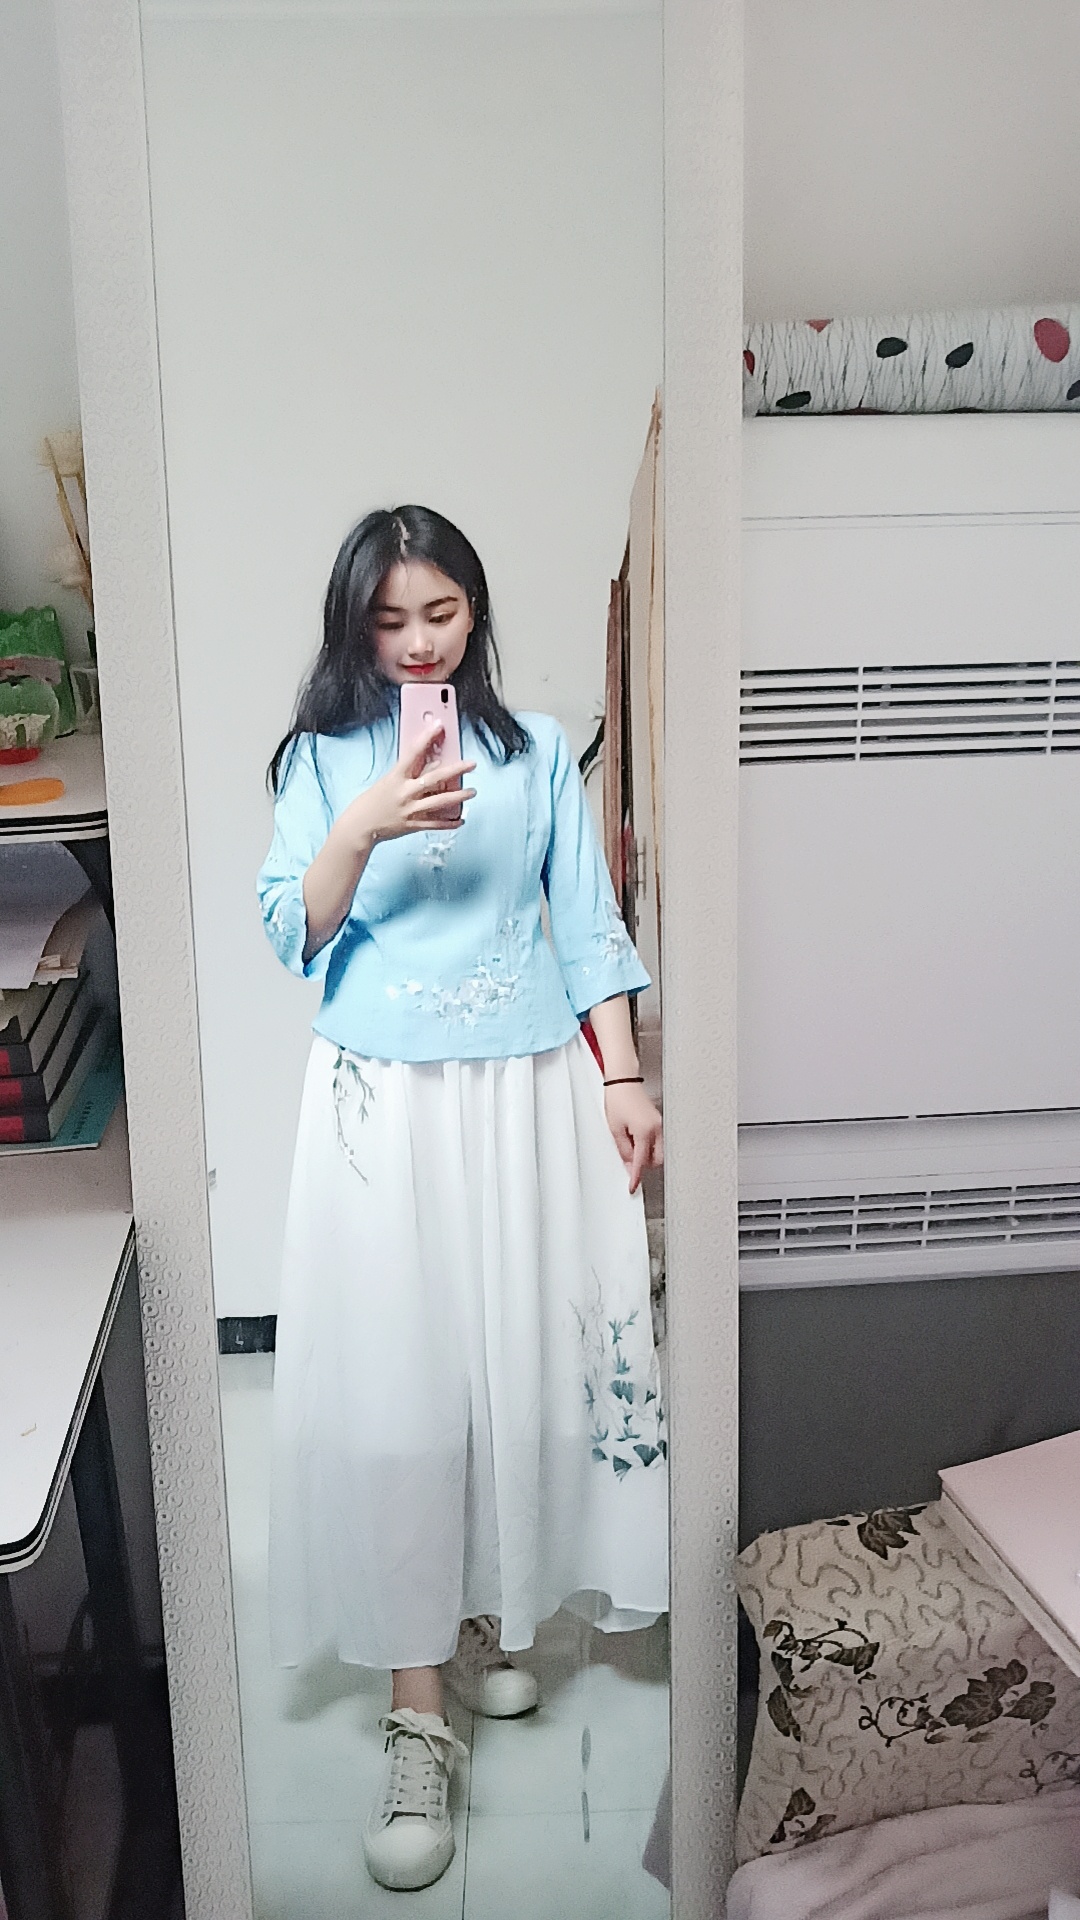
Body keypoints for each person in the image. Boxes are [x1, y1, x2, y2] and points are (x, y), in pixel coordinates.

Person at [257, 504, 668, 1891]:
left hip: (524, 1096)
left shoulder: (537, 751)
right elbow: (292, 930)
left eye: (440, 613)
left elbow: (589, 928)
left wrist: (624, 1076)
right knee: (398, 1395)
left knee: (513, 1377)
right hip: (381, 1104)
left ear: (475, 612)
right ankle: (414, 1708)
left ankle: (482, 1613)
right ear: (354, 627)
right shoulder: (320, 760)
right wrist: (365, 821)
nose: (419, 642)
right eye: (390, 619)